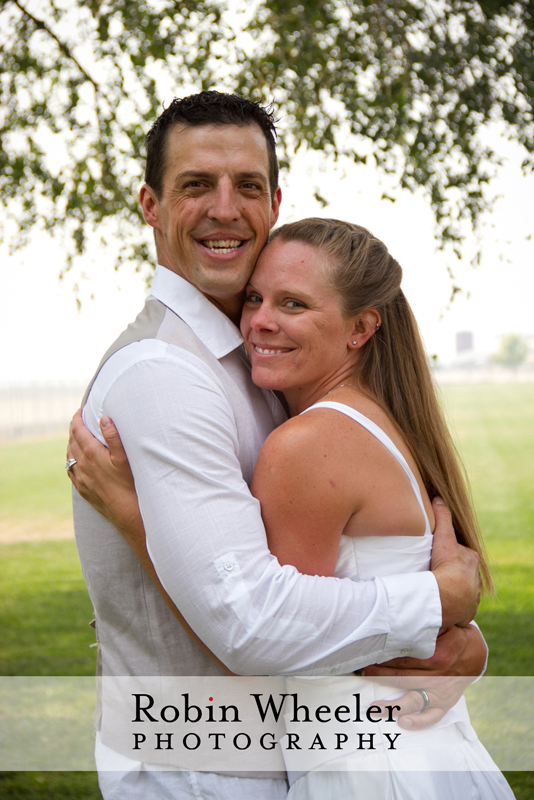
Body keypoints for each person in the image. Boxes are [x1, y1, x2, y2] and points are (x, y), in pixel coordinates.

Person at [67, 90, 486, 799]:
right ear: (150, 205)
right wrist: (437, 600)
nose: (225, 209)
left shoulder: (274, 375)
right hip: (200, 771)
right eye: (196, 185)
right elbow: (249, 621)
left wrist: (461, 644)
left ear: (274, 203)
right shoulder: (166, 375)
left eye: (248, 187)